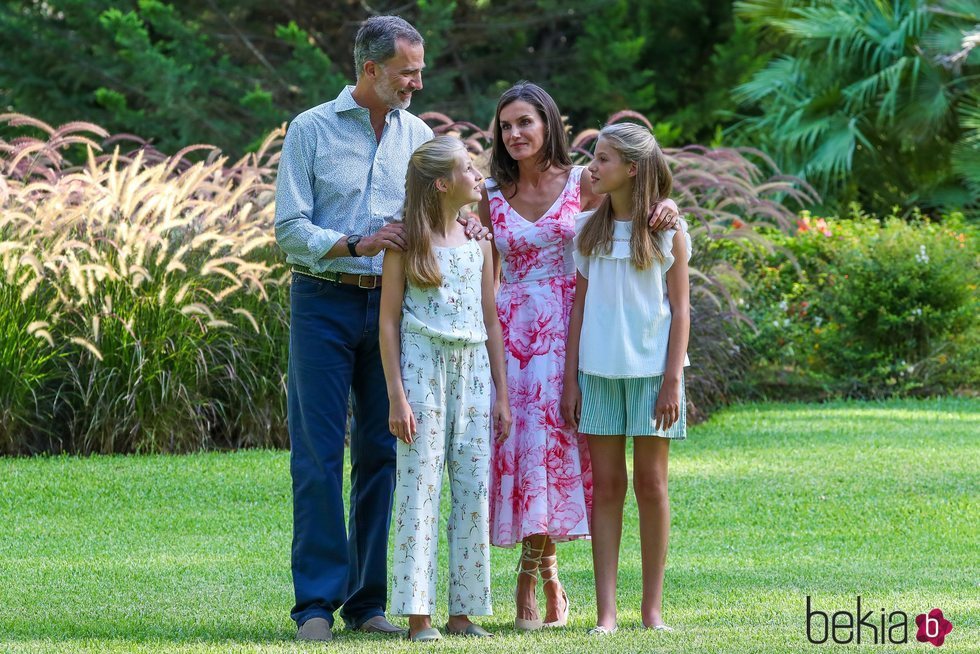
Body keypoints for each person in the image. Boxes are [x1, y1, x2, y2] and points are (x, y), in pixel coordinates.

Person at [274, 16, 486, 642]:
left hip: (402, 316)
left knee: (384, 455)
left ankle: (367, 604)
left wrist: (465, 227)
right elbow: (290, 227)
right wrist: (356, 242)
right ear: (370, 70)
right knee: (317, 455)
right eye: (407, 72)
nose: (417, 83)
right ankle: (315, 603)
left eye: (420, 71)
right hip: (324, 302)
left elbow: (438, 209)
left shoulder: (418, 135)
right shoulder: (309, 130)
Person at [478, 81, 681, 630]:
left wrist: (664, 204)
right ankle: (535, 570)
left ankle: (548, 574)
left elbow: (630, 205)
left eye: (525, 122)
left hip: (577, 330)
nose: (514, 133)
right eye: (505, 125)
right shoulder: (488, 191)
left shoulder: (583, 182)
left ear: (548, 124)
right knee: (521, 450)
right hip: (512, 334)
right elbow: (472, 252)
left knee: (563, 456)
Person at [379, 136, 512, 642]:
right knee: (420, 489)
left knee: (474, 490)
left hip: (474, 370)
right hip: (421, 371)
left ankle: (465, 612)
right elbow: (388, 323)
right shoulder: (405, 243)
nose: (480, 177)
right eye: (469, 170)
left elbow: (491, 320)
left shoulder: (480, 241)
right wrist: (397, 394)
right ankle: (419, 618)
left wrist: (500, 393)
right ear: (441, 183)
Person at [561, 123, 691, 635]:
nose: (592, 167)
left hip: (652, 376)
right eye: (594, 158)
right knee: (608, 486)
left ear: (632, 169)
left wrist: (673, 381)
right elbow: (577, 309)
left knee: (652, 484)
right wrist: (571, 380)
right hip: (597, 374)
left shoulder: (668, 230)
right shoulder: (586, 230)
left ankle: (652, 611)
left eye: (604, 159)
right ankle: (606, 614)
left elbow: (680, 311)